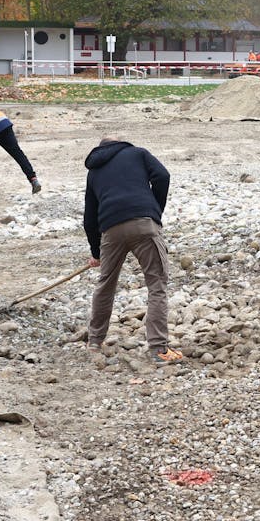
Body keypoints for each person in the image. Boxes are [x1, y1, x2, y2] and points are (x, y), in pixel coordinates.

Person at [82, 137, 182, 363]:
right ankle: (158, 349)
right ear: (121, 144)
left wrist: (96, 252)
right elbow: (163, 176)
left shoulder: (94, 172)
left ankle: (95, 342)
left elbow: (89, 217)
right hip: (144, 224)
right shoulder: (137, 153)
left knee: (105, 285)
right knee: (156, 284)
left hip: (110, 230)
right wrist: (155, 211)